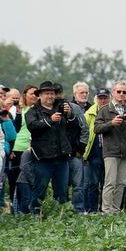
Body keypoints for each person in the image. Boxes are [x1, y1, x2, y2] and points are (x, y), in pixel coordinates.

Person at [23, 81, 78, 213]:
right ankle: (35, 216)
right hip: (43, 158)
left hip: (62, 156)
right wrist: (49, 120)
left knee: (62, 191)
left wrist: (70, 114)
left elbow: (75, 127)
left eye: (52, 93)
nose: (50, 96)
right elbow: (33, 127)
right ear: (40, 95)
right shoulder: (32, 111)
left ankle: (60, 216)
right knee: (39, 190)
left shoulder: (62, 108)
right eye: (47, 93)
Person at [93, 82, 126, 213]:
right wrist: (111, 123)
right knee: (110, 182)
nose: (121, 94)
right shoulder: (104, 110)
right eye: (119, 91)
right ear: (113, 93)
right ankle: (106, 210)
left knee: (121, 183)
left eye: (124, 92)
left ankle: (115, 210)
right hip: (111, 151)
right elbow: (97, 129)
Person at [80, 87, 111, 213]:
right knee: (93, 183)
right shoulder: (89, 113)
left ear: (109, 99)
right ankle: (92, 209)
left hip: (109, 151)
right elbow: (84, 133)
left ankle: (104, 208)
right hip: (94, 152)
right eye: (100, 98)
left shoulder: (112, 112)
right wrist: (84, 153)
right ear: (96, 99)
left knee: (106, 183)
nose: (103, 101)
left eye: (105, 98)